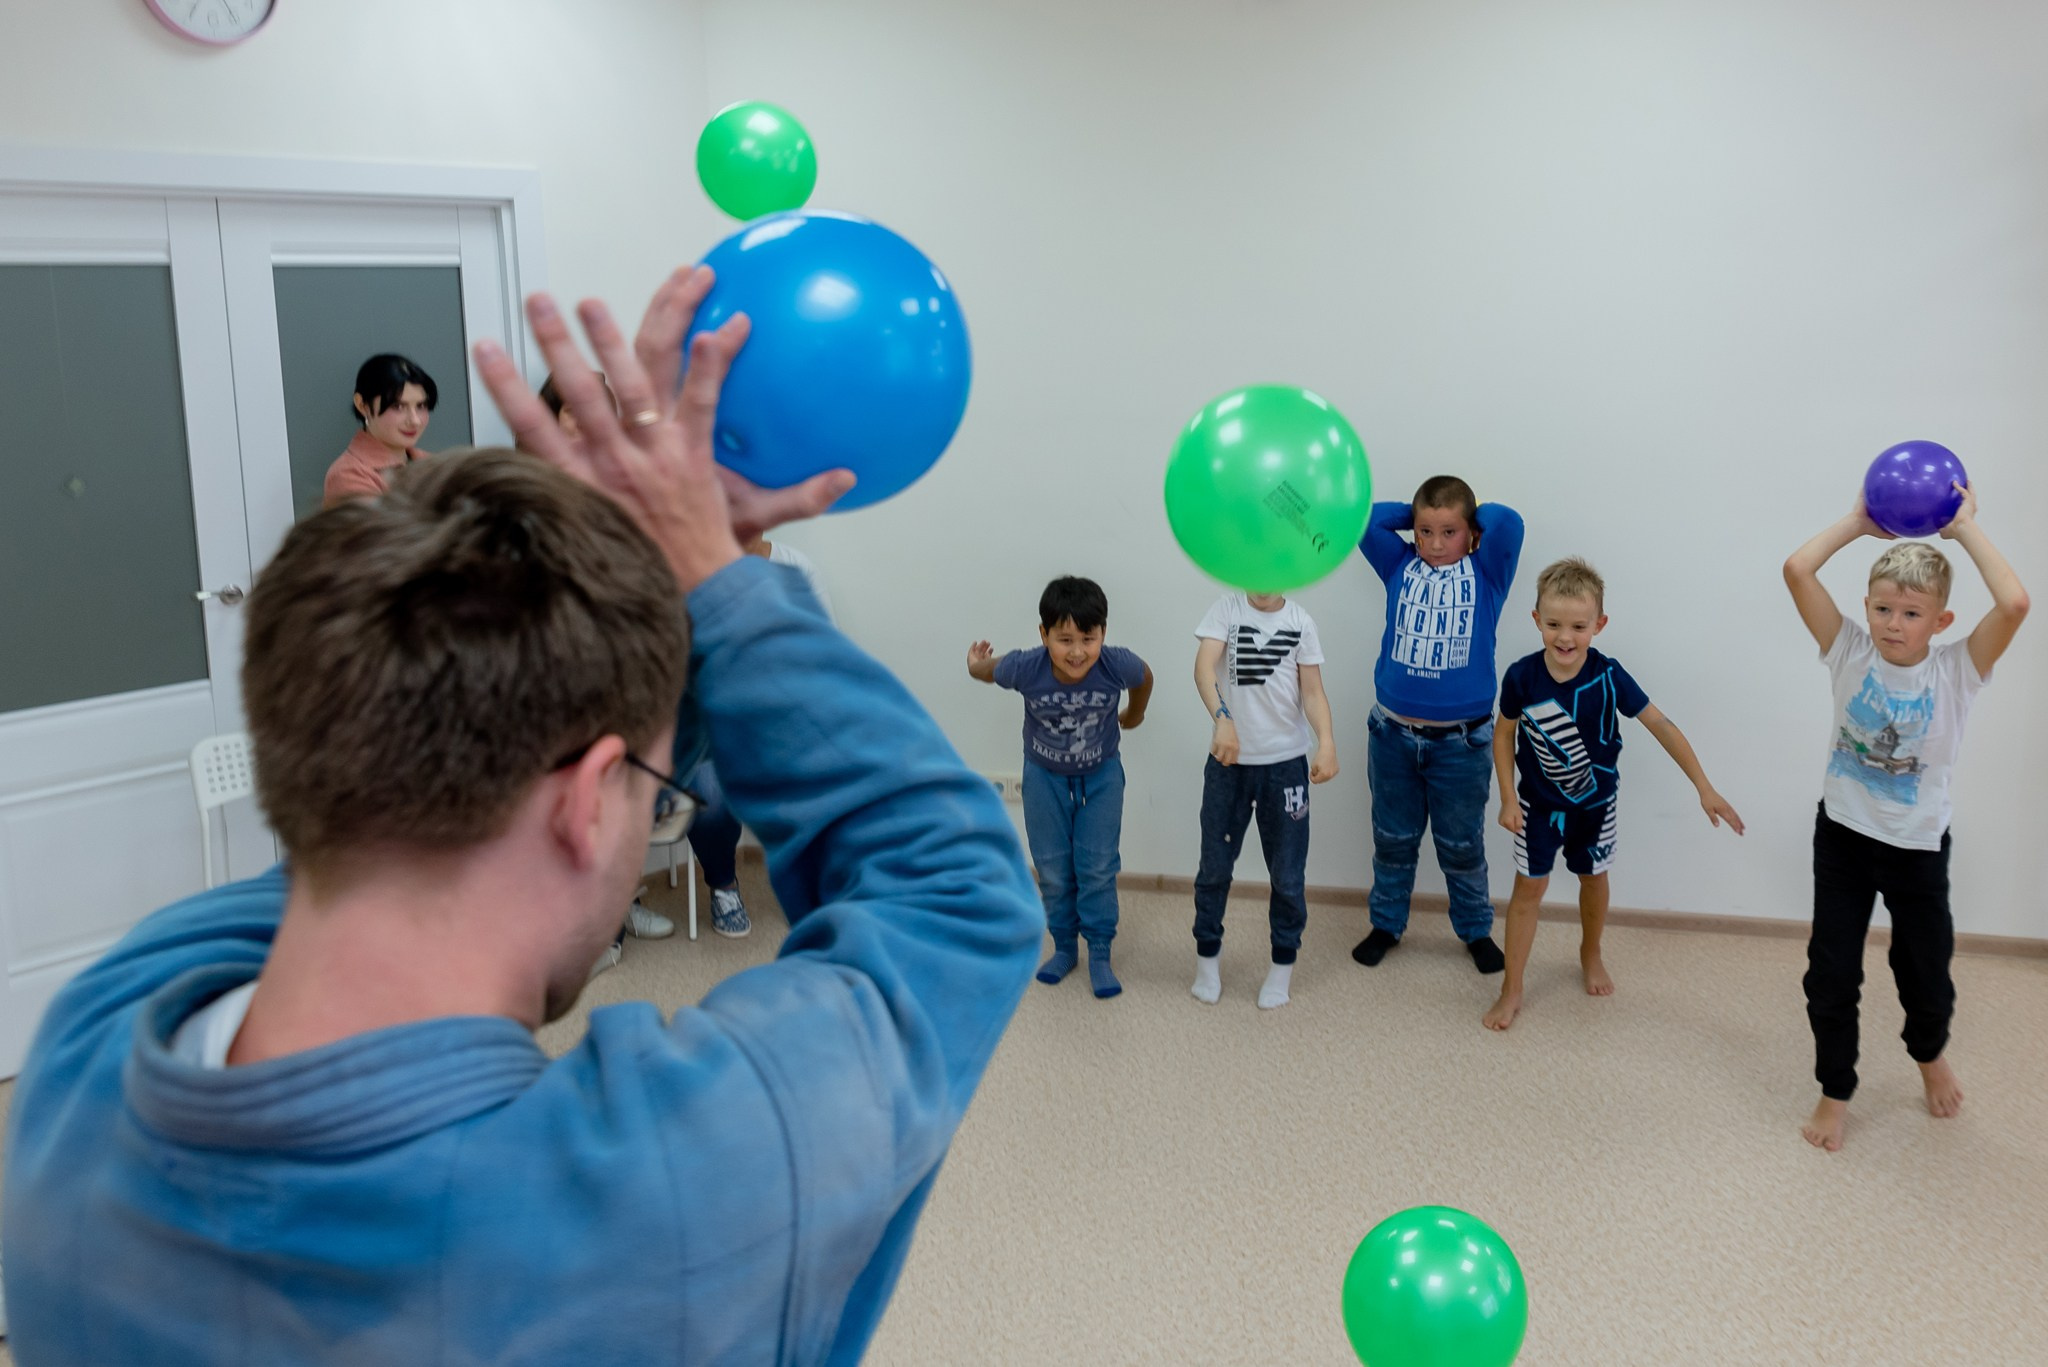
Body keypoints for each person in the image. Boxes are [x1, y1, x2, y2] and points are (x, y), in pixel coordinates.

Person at [0, 266, 1044, 1364]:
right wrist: (709, 575)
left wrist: (632, 592)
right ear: (587, 803)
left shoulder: (90, 1052)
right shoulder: (675, 1194)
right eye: (653, 785)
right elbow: (954, 891)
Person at [1782, 483, 2026, 1151]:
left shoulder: (1957, 672)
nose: (1894, 622)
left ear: (1940, 621)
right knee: (1829, 971)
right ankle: (1835, 1089)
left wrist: (1964, 527)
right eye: (1883, 608)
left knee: (1924, 968)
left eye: (1911, 612)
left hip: (1917, 848)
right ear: (1866, 607)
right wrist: (1859, 522)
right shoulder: (1848, 651)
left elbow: (2015, 603)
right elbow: (1797, 570)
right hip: (1842, 839)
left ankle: (1928, 1052)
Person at [1483, 558, 1744, 1030]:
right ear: (1536, 619)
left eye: (1579, 626)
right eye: (1555, 624)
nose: (1566, 637)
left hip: (1596, 805)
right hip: (1537, 806)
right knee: (1529, 890)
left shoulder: (1608, 675)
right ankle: (1512, 987)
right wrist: (1505, 796)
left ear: (1599, 625)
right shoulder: (1521, 676)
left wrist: (1703, 786)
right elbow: (1503, 735)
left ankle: (1590, 951)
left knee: (1593, 876)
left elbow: (1659, 724)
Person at [1354, 476, 1524, 974]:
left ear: (1471, 533)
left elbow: (1508, 521)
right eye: (1423, 531)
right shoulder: (1398, 564)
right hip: (1392, 736)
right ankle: (1386, 924)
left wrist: (1464, 520)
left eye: (1447, 532)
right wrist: (1418, 514)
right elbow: (1363, 520)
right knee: (1392, 838)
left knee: (1462, 845)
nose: (1432, 544)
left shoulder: (1488, 571)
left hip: (1462, 743)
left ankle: (1475, 931)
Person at [968, 577, 1153, 998]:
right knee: (1051, 867)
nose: (1076, 651)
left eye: (1088, 638)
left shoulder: (1115, 664)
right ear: (1043, 635)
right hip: (1043, 779)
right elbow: (986, 671)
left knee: (1098, 866)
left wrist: (1134, 715)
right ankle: (1065, 947)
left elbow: (1144, 676)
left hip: (1102, 777)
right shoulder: (1026, 666)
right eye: (1064, 639)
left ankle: (1100, 952)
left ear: (1103, 633)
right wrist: (972, 662)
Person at [1189, 588, 1338, 1009]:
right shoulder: (1225, 609)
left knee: (1288, 876)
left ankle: (1281, 967)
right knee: (1214, 870)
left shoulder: (1301, 622)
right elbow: (1204, 670)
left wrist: (1325, 742)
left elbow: (1312, 692)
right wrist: (1222, 719)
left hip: (1286, 768)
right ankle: (1207, 962)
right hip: (1227, 765)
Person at [322, 353, 437, 506]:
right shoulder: (348, 475)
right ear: (362, 405)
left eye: (421, 406)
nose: (415, 420)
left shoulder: (432, 462)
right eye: (398, 407)